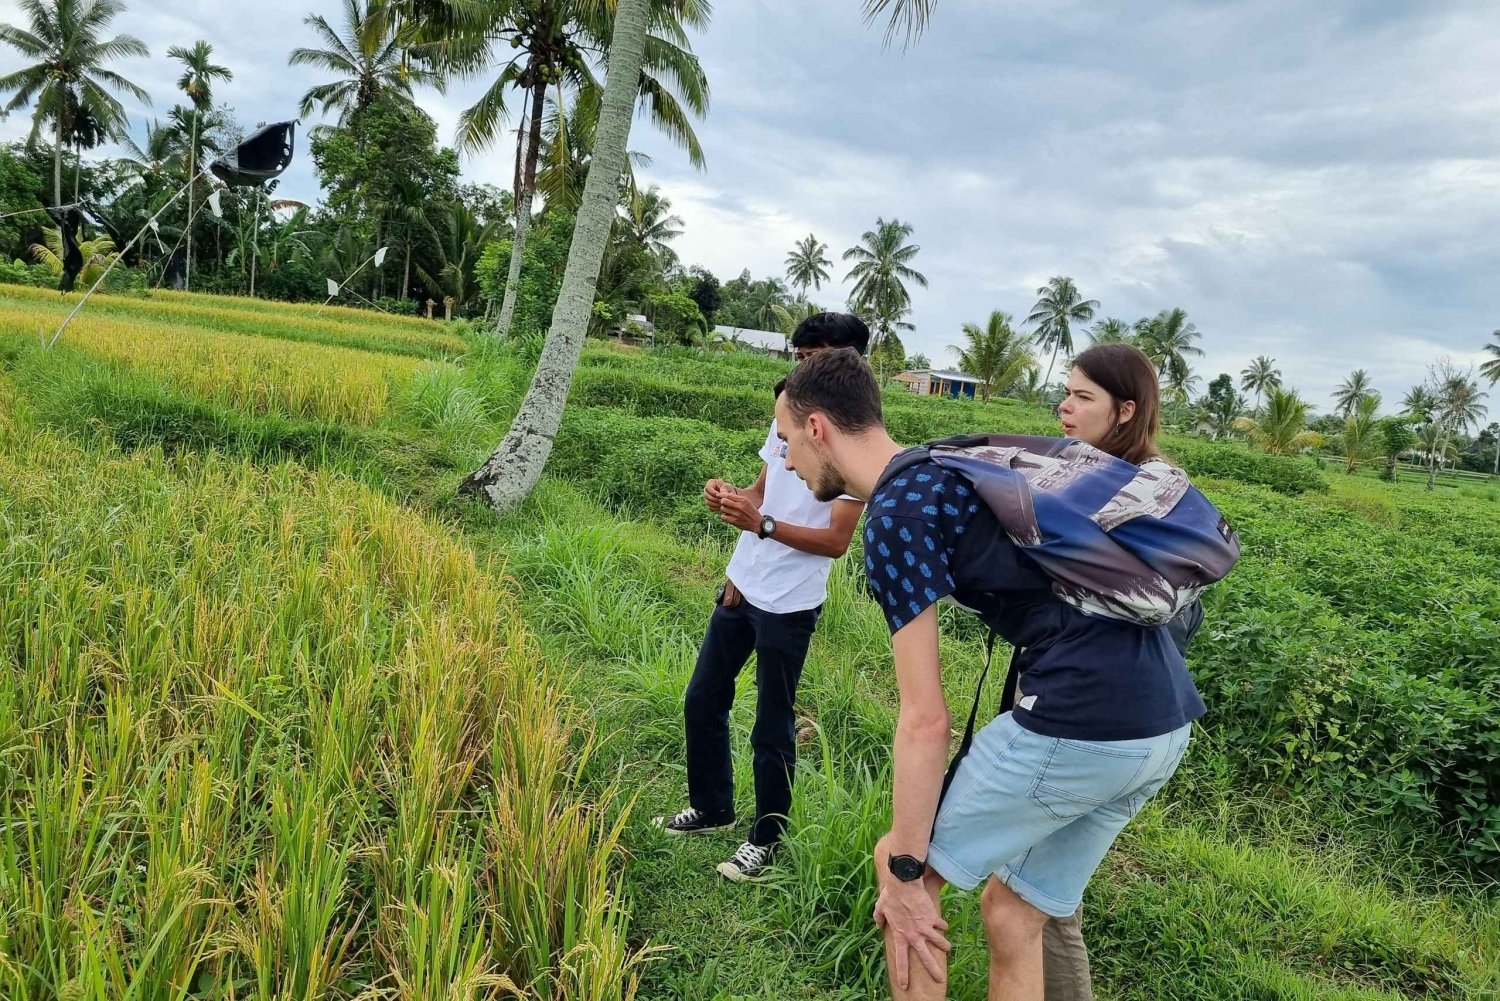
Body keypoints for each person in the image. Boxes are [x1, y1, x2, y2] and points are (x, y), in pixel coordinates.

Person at [776, 346, 1211, 999]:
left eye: (786, 440)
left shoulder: (894, 511)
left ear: (817, 428)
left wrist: (907, 869)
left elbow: (926, 719)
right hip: (1163, 725)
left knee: (903, 871)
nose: (786, 460)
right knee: (1013, 912)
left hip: (1081, 720)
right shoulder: (949, 465)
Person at [655, 312, 869, 883]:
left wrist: (763, 525)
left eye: (813, 359)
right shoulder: (786, 416)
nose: (801, 370)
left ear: (849, 362)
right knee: (703, 698)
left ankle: (766, 838)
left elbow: (837, 541)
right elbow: (761, 491)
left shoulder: (855, 446)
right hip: (742, 587)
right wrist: (731, 498)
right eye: (798, 359)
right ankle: (712, 807)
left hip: (790, 604)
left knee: (772, 725)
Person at [1036, 342, 1207, 1000]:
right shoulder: (1083, 471)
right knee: (1042, 893)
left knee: (1036, 896)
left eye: (1083, 396)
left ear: (1126, 410)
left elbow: (1167, 611)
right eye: (1066, 392)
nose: (1065, 405)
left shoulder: (1151, 493)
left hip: (1094, 712)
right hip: (1085, 697)